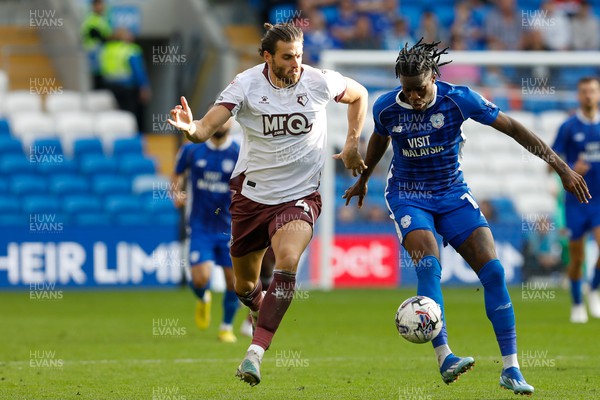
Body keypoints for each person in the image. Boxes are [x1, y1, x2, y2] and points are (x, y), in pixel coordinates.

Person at [343, 40, 590, 396]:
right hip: (409, 195)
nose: (414, 97)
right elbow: (380, 140)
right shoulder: (385, 107)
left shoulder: (460, 99)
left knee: (494, 271)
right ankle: (445, 356)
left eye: (420, 89)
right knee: (429, 265)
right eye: (407, 90)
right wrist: (364, 179)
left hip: (452, 193)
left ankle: (511, 369)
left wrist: (562, 169)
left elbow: (515, 129)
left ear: (434, 76)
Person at [168, 22, 368, 386]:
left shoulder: (319, 81)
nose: (296, 64)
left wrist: (353, 141)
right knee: (244, 286)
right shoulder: (246, 85)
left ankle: (254, 353)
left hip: (300, 196)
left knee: (288, 261)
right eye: (288, 57)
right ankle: (262, 308)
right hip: (252, 198)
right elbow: (206, 127)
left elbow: (360, 94)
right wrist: (191, 129)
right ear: (268, 57)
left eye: (300, 56)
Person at [172, 114, 240, 342]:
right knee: (201, 279)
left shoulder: (240, 152)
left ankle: (226, 327)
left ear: (232, 122)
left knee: (235, 283)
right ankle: (203, 298)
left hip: (230, 227)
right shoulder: (192, 150)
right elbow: (178, 174)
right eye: (217, 118)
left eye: (225, 119)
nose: (221, 123)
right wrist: (177, 192)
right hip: (200, 225)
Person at [551, 76, 600, 323]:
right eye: (584, 92)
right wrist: (570, 168)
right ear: (578, 96)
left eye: (592, 91)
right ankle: (577, 304)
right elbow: (551, 164)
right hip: (576, 201)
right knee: (577, 256)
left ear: (598, 94)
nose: (588, 95)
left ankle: (593, 288)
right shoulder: (569, 127)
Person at [99, 27, 151, 131]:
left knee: (115, 115)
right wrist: (144, 87)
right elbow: (138, 71)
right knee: (131, 115)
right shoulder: (131, 49)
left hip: (109, 87)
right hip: (127, 88)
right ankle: (134, 137)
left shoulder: (106, 49)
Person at [81, 0, 112, 89]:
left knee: (102, 78)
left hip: (102, 53)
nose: (101, 7)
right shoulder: (91, 19)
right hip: (93, 52)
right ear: (94, 6)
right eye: (99, 5)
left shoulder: (103, 19)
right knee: (96, 79)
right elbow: (94, 34)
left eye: (102, 4)